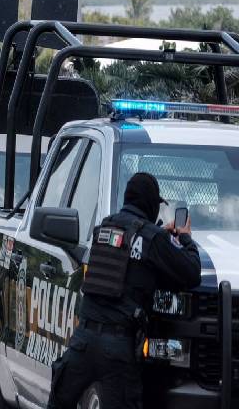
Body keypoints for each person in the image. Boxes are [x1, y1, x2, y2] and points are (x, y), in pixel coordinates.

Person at [48, 172, 201, 409]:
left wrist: (159, 235)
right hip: (118, 350)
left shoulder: (103, 229)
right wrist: (185, 239)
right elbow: (191, 272)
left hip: (82, 343)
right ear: (150, 204)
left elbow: (127, 259)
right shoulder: (154, 239)